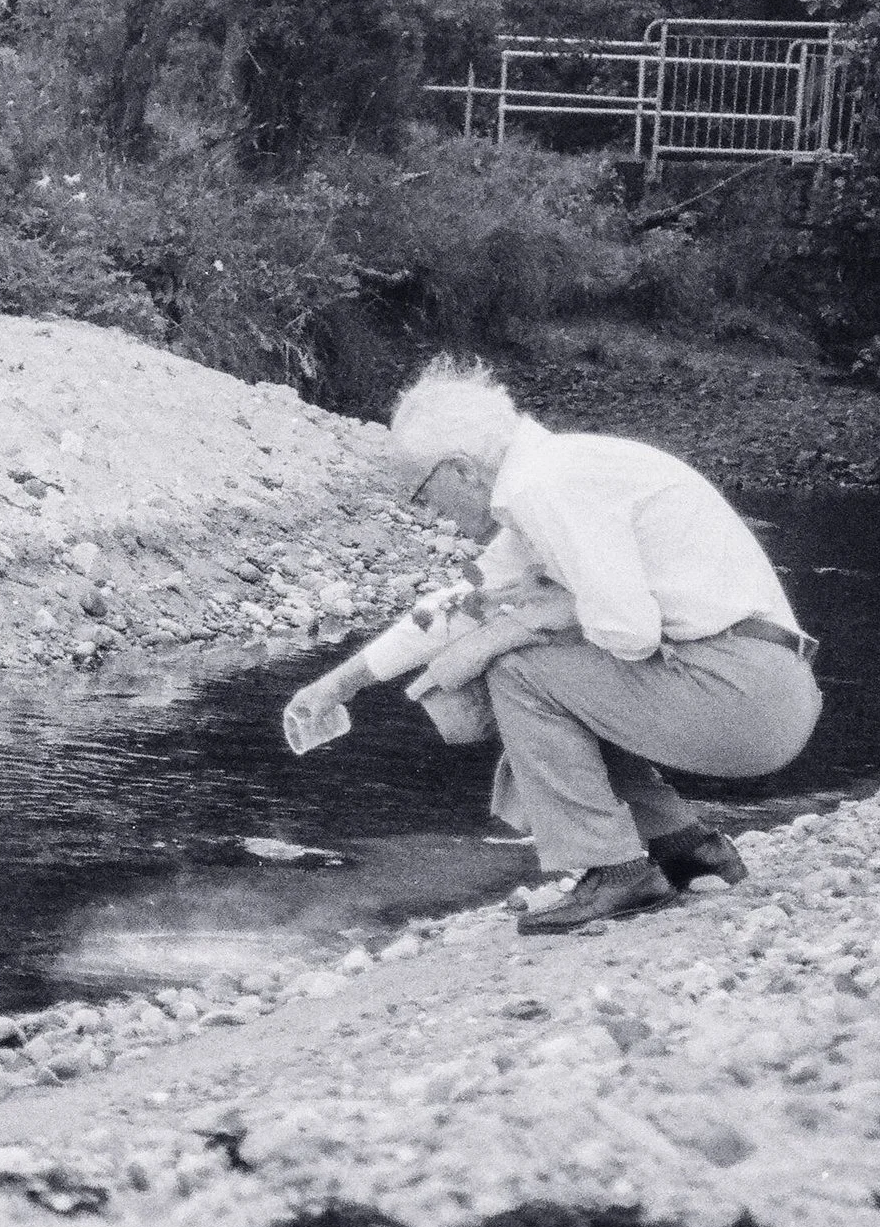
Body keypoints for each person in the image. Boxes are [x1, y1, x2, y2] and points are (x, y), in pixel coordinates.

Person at [285, 359, 821, 933]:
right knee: (548, 667)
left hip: (745, 695)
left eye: (422, 492)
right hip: (760, 683)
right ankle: (685, 848)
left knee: (519, 670)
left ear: (460, 469)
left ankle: (613, 870)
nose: (428, 510)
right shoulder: (546, 476)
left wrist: (517, 627)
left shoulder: (547, 486)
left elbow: (629, 631)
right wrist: (336, 685)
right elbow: (460, 606)